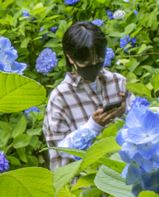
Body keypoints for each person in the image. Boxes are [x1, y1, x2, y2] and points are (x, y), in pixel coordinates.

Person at [42, 21, 131, 170]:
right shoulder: (60, 97)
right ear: (71, 58)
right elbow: (59, 149)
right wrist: (93, 126)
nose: (94, 67)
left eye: (99, 61)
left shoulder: (118, 82)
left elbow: (139, 124)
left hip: (120, 177)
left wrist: (125, 111)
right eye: (87, 63)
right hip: (84, 185)